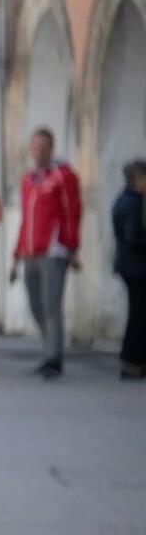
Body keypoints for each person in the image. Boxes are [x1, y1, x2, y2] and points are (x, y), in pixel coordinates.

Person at [10, 127, 81, 380]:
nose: (38, 151)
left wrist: (72, 247)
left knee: (52, 305)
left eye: (43, 147)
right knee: (35, 304)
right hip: (30, 250)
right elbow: (25, 219)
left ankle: (54, 357)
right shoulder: (29, 180)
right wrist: (16, 254)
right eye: (34, 146)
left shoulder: (62, 176)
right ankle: (48, 349)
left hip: (54, 250)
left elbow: (72, 211)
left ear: (51, 148)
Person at [113, 159, 146, 381]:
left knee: (138, 314)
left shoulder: (125, 200)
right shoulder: (132, 203)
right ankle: (132, 359)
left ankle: (134, 358)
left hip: (130, 266)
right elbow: (132, 236)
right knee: (138, 315)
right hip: (136, 267)